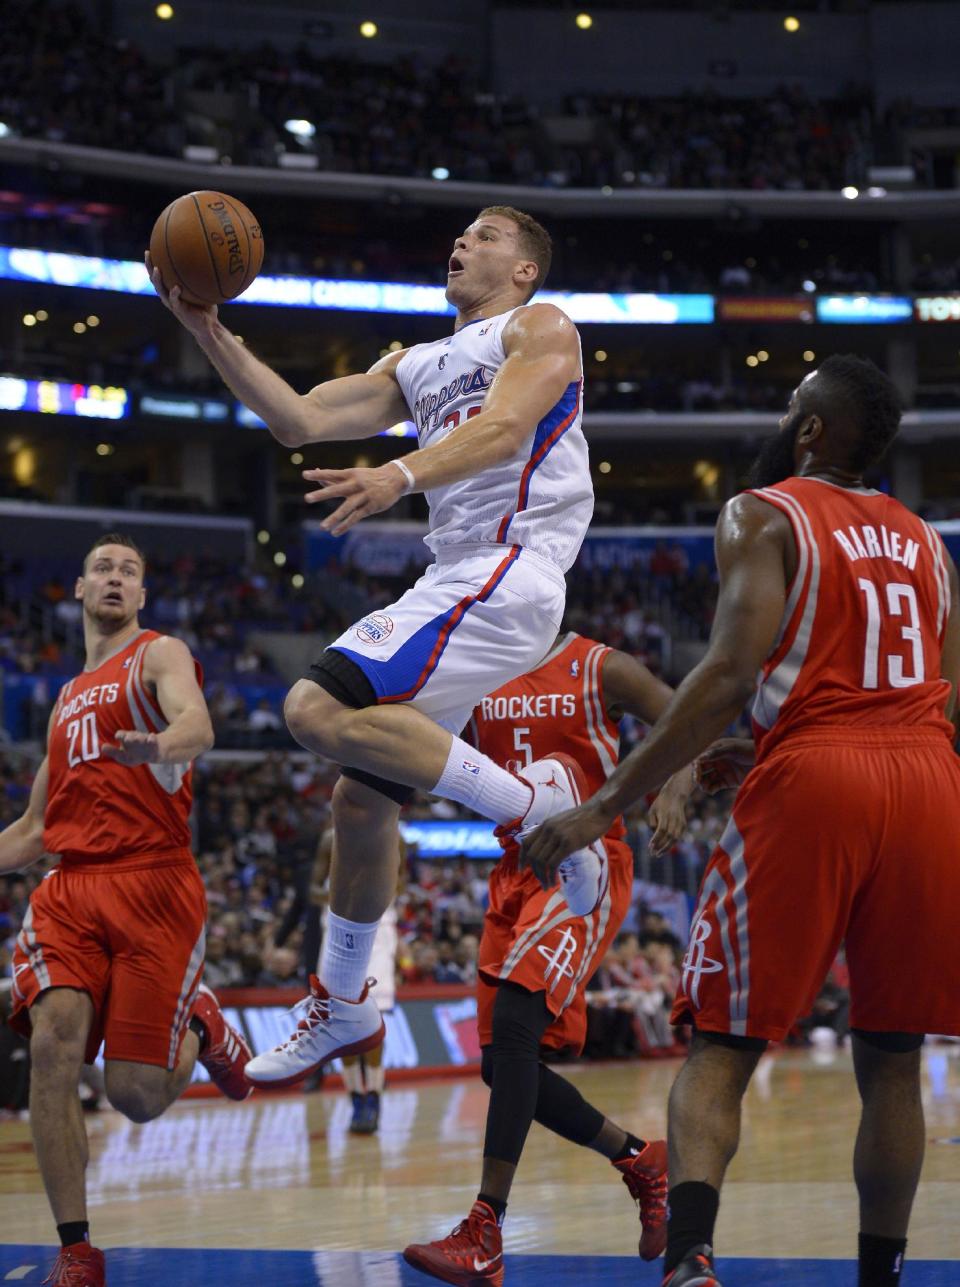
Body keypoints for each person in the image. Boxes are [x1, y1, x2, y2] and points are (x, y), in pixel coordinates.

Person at [520, 355, 960, 1287]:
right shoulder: (928, 541)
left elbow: (725, 676)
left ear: (809, 431)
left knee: (722, 1040)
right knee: (893, 1056)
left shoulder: (762, 512)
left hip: (818, 784)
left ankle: (689, 1259)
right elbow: (943, 703)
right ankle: (879, 1277)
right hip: (929, 782)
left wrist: (608, 801)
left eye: (791, 406)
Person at [148, 205, 601, 1086]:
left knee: (312, 704)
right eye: (461, 231)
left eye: (486, 235)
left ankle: (541, 812)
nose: (462, 241)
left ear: (523, 271)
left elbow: (506, 430)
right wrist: (206, 326)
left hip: (512, 566)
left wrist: (396, 474)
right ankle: (345, 995)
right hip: (456, 575)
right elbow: (299, 418)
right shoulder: (418, 361)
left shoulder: (539, 326)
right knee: (360, 805)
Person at [403, 630, 695, 1285]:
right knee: (502, 1065)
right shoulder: (476, 666)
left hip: (585, 861)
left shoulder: (598, 664)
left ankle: (485, 1231)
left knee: (513, 1028)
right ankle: (642, 1158)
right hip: (514, 867)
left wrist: (673, 791)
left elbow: (688, 715)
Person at [1, 534, 253, 1287]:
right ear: (76, 588)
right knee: (51, 1044)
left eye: (129, 571)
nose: (115, 577)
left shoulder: (158, 652)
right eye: (103, 568)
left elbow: (198, 727)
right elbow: (36, 830)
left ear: (141, 594)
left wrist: (159, 745)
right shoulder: (67, 698)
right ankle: (76, 1247)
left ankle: (201, 1019)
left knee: (136, 1095)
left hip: (153, 882)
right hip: (73, 889)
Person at [314, 826, 403, 1133]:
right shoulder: (330, 839)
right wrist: (340, 894)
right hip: (337, 934)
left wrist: (371, 892)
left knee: (373, 1021)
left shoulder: (393, 836)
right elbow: (312, 889)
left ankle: (374, 1096)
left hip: (377, 934)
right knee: (343, 1023)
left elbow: (400, 885)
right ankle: (356, 1099)